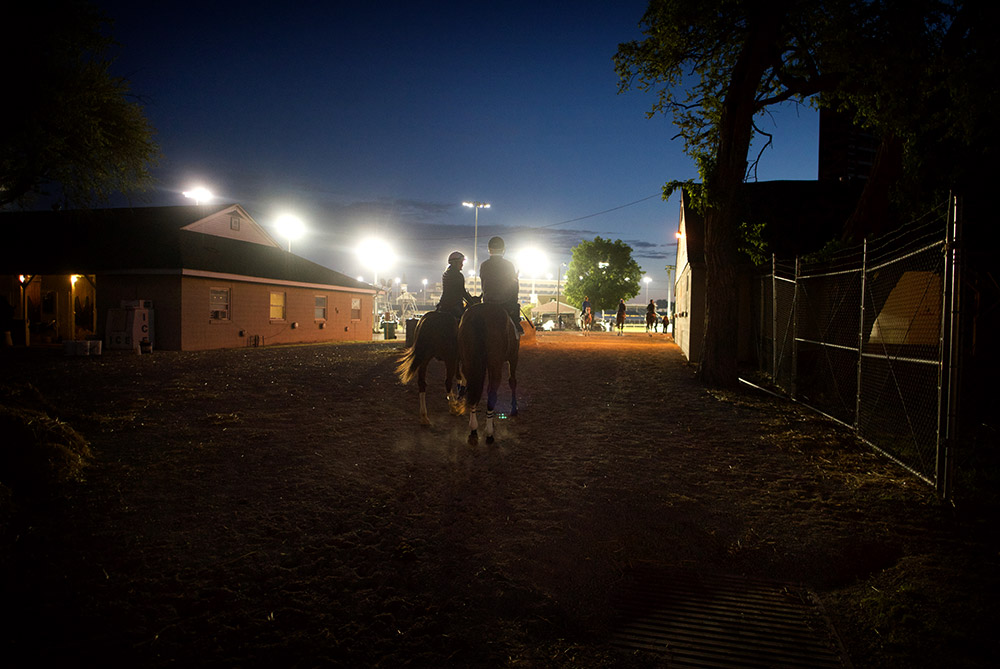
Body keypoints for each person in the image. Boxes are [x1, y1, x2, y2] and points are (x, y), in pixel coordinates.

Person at [479, 236, 524, 335]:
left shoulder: (484, 265)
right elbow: (514, 287)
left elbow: (483, 284)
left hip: (487, 302)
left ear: (489, 249)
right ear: (503, 250)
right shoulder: (509, 265)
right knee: (515, 308)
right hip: (505, 302)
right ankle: (517, 325)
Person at [436, 251, 474, 320]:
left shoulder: (445, 273)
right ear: (455, 263)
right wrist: (472, 304)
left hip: (442, 305)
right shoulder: (458, 275)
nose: (462, 265)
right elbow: (462, 292)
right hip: (455, 306)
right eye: (461, 262)